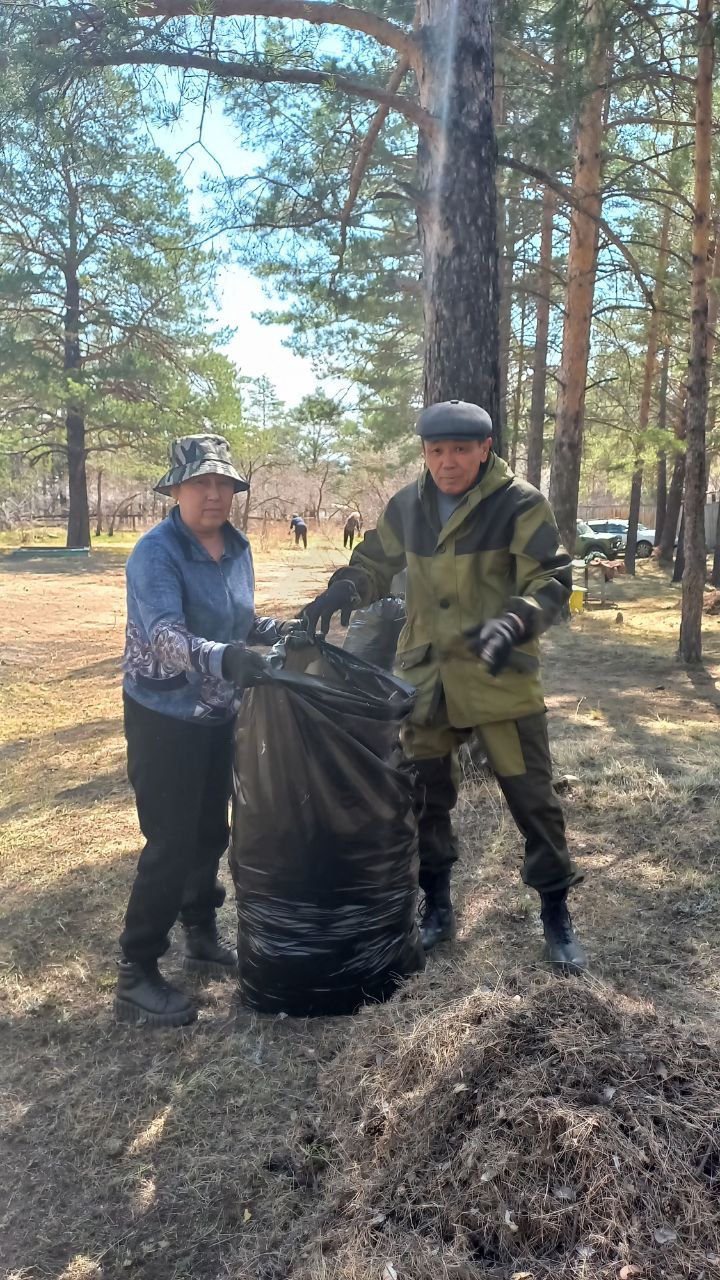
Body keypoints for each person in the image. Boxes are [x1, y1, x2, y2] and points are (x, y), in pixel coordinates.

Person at [302, 400, 586, 971]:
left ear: (484, 449)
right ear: (424, 453)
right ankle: (437, 906)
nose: (448, 462)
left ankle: (555, 911)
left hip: (496, 673)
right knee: (425, 800)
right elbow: (375, 561)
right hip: (425, 678)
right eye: (437, 451)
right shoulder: (408, 505)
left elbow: (552, 579)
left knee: (532, 800)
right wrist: (345, 588)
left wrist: (516, 619)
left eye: (461, 449)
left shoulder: (519, 503)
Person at [116, 434, 303, 1028]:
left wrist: (285, 629)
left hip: (220, 712)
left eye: (224, 484)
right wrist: (229, 658)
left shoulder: (237, 547)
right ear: (175, 489)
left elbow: (240, 621)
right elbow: (166, 638)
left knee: (209, 834)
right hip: (164, 718)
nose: (215, 494)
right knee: (170, 843)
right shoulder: (155, 553)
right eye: (202, 484)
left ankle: (200, 932)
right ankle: (136, 972)